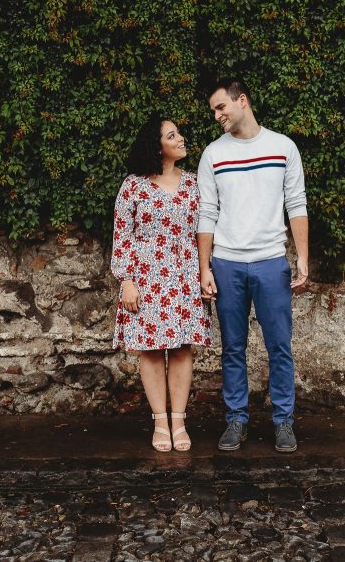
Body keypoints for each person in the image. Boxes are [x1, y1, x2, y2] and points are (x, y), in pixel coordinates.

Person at [197, 77, 308, 453]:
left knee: (279, 346)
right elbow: (206, 213)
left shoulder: (282, 147)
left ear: (241, 100)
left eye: (221, 107)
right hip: (227, 263)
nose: (217, 115)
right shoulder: (213, 154)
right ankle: (236, 420)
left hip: (270, 262)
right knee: (232, 347)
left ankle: (283, 422)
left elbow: (297, 204)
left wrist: (303, 257)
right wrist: (204, 268)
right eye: (214, 110)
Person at [111, 115, 213, 452]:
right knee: (152, 351)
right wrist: (126, 280)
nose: (181, 138)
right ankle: (159, 422)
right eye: (172, 135)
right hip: (146, 279)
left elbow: (205, 231)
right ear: (158, 147)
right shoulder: (134, 185)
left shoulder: (195, 183)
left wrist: (205, 271)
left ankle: (179, 421)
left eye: (179, 132)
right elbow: (122, 235)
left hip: (184, 277)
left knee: (183, 348)